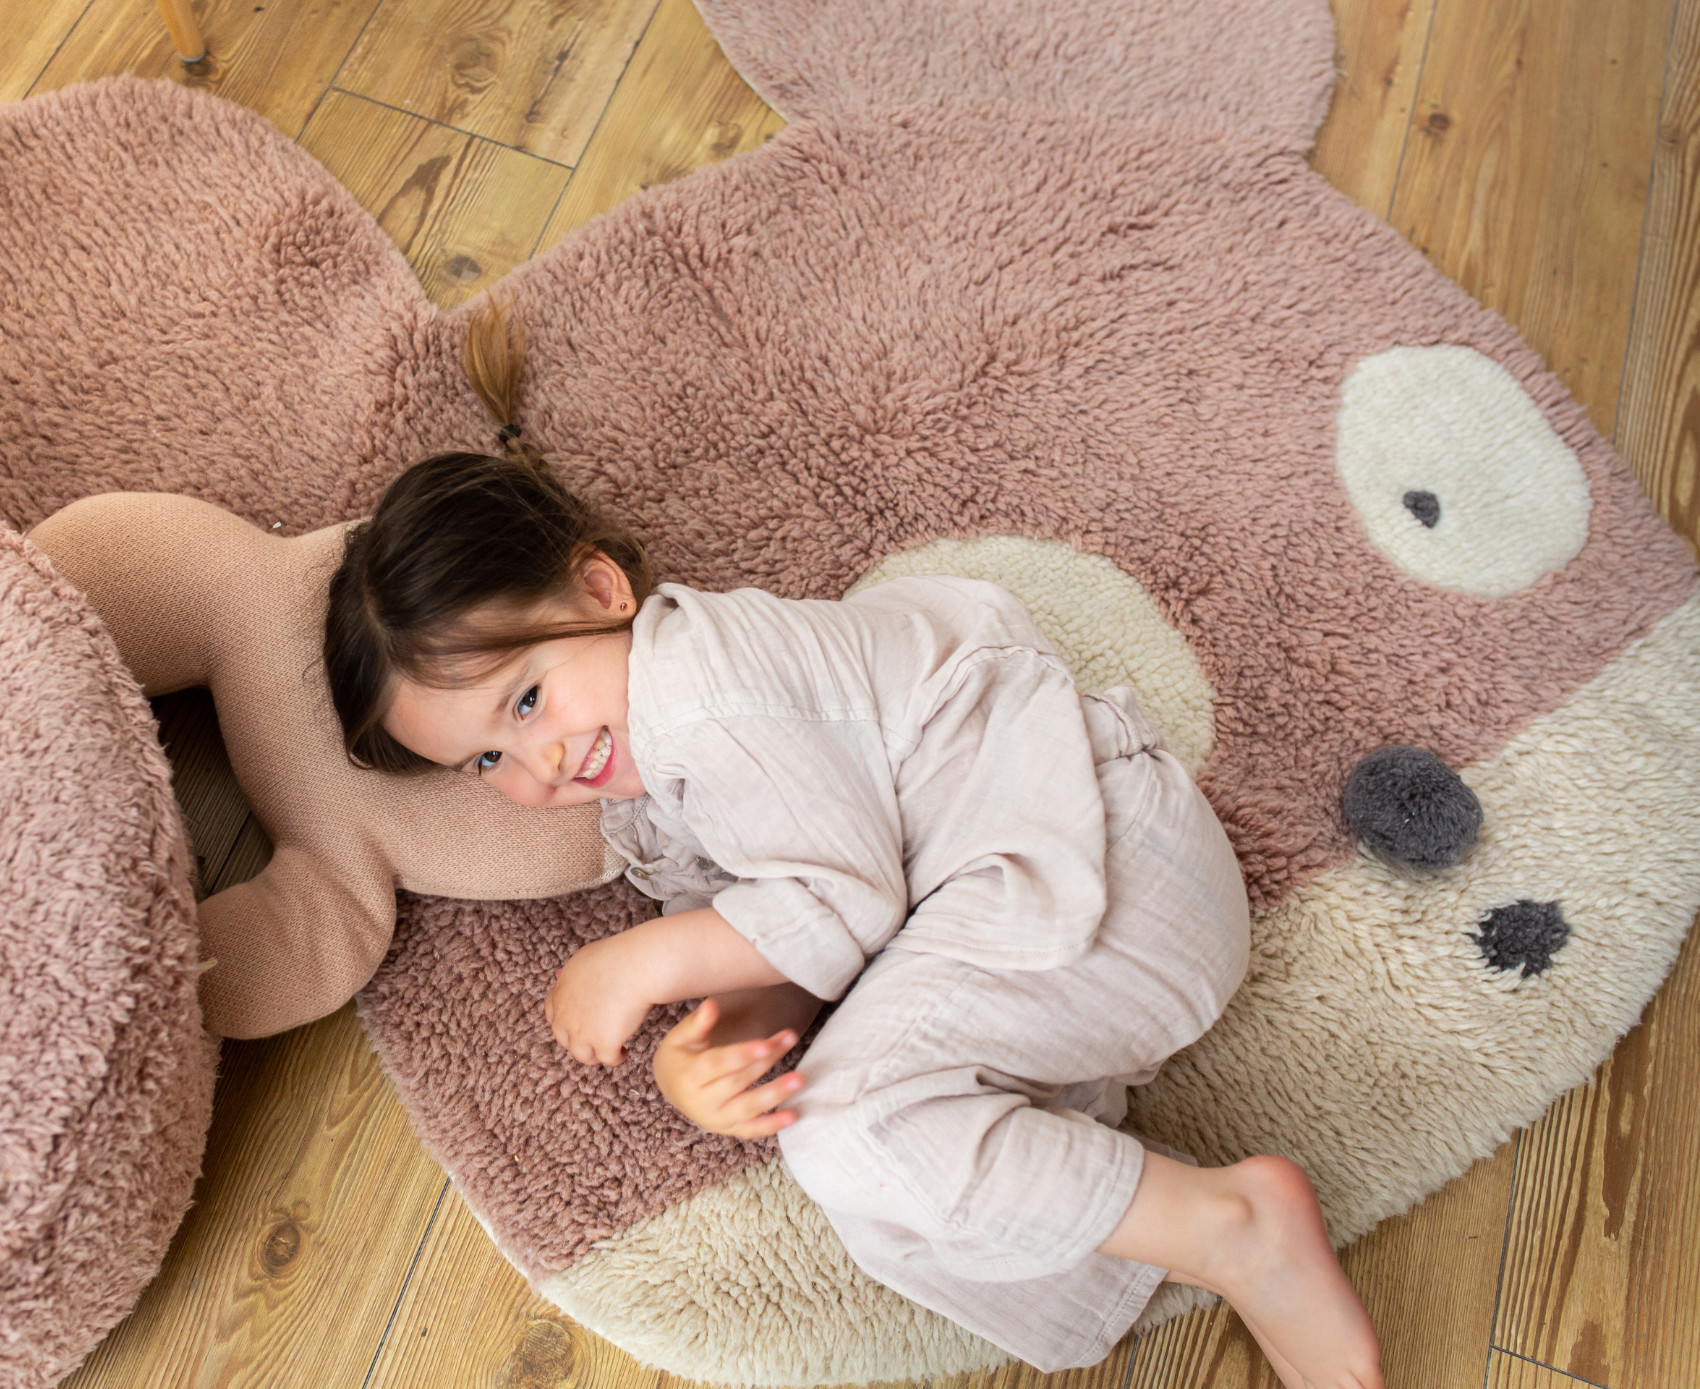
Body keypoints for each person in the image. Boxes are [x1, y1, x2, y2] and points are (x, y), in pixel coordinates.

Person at [322, 309, 1384, 1389]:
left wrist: (635, 961)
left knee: (846, 1129)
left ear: (601, 592)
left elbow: (842, 903)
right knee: (857, 1169)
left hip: (1111, 874)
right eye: (489, 760)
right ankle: (1142, 1220)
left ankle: (1230, 1227)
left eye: (528, 700)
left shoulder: (704, 691)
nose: (540, 763)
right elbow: (795, 936)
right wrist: (728, 1044)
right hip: (1040, 942)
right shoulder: (652, 793)